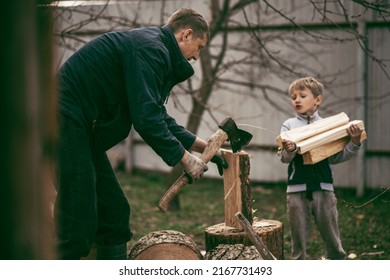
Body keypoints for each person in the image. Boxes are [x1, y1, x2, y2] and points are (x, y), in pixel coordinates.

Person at [55, 8, 227, 260]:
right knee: (77, 218)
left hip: (82, 131)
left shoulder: (154, 49)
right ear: (186, 34)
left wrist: (206, 149)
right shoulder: (150, 49)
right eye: (199, 47)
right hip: (63, 120)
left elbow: (158, 116)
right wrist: (186, 160)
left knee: (114, 214)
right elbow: (147, 120)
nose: (198, 56)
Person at [278, 77, 362, 260]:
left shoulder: (328, 126)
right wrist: (289, 149)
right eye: (293, 97)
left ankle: (336, 261)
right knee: (298, 239)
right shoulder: (289, 125)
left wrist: (354, 142)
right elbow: (284, 158)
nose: (297, 100)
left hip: (324, 188)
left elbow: (336, 157)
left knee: (332, 235)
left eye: (302, 95)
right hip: (296, 191)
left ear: (317, 100)